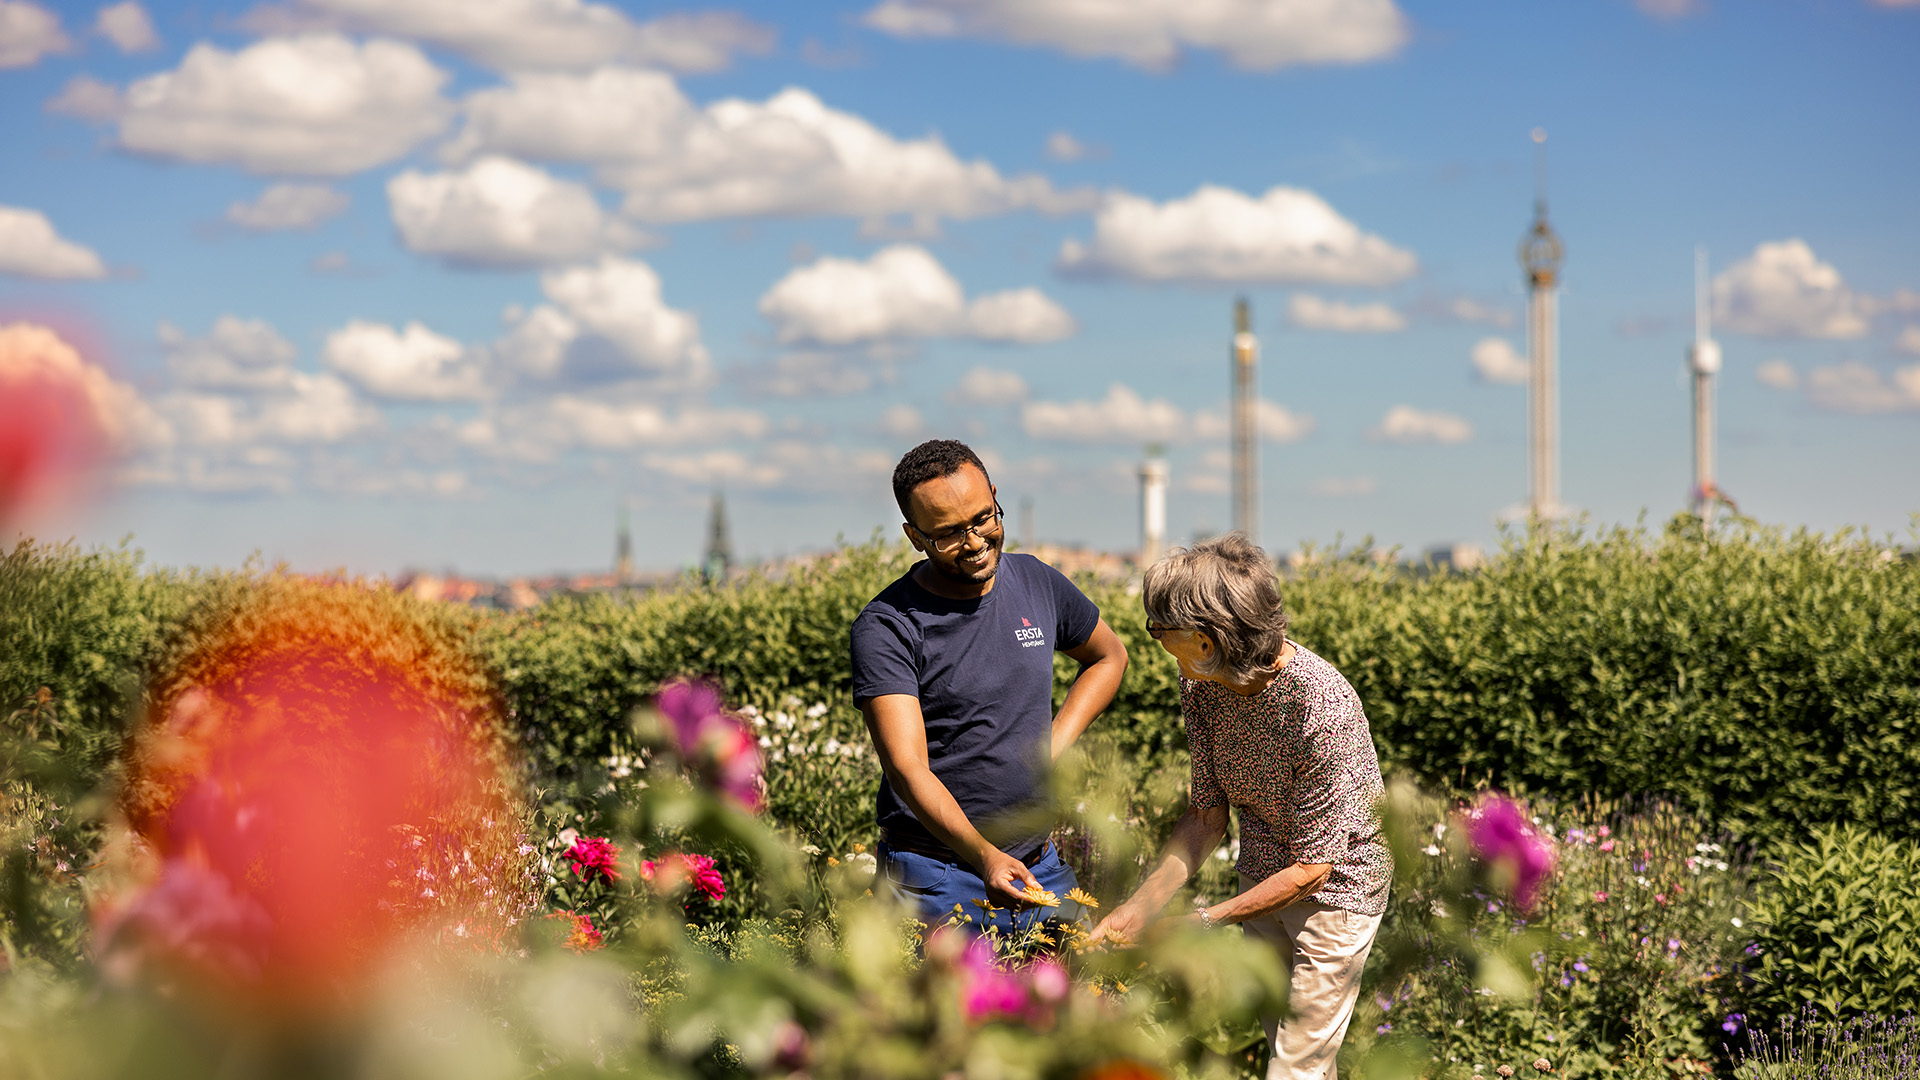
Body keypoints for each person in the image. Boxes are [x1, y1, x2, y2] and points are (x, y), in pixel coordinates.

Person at [1087, 534, 1390, 1080]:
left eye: (1159, 629)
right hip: (1263, 876)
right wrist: (1142, 906)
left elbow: (1313, 870)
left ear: (1205, 641)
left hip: (1339, 890)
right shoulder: (1202, 682)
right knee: (1292, 1051)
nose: (1154, 639)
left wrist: (1202, 919)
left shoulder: (1321, 710)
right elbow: (1206, 815)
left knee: (1295, 1067)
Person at [852, 439, 1129, 933]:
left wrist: (1053, 743)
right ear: (914, 536)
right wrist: (985, 857)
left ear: (996, 497)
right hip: (935, 876)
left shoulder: (1036, 582)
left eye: (983, 518)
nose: (975, 541)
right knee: (943, 1012)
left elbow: (1108, 657)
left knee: (1091, 994)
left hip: (1037, 864)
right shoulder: (887, 625)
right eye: (948, 535)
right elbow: (906, 766)